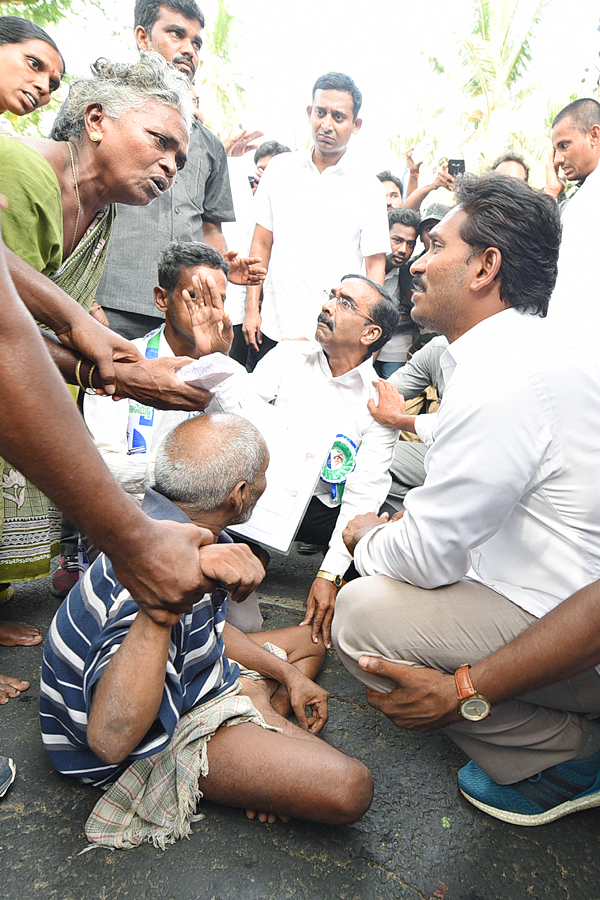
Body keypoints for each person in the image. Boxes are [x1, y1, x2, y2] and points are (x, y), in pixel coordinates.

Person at [332, 173, 600, 826]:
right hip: (554, 601)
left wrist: (367, 535)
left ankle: (565, 758)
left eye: (436, 245)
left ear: (486, 266)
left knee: (363, 613)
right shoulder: (519, 353)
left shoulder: (506, 374)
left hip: (578, 633)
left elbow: (426, 557)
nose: (418, 262)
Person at [40, 414, 373, 840]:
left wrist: (286, 677)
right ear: (240, 495)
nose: (267, 482)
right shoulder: (158, 572)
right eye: (263, 475)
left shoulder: (178, 531)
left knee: (311, 641)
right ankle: (253, 733)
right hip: (139, 739)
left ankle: (258, 714)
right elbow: (109, 740)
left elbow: (209, 631)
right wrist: (164, 605)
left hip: (193, 681)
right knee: (349, 788)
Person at [0, 52, 194, 623]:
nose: (170, 166)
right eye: (160, 141)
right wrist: (108, 372)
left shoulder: (101, 211)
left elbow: (59, 297)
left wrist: (105, 338)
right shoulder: (22, 171)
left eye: (180, 160)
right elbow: (10, 332)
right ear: (95, 121)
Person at [190, 273, 400, 648]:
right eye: (331, 294)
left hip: (322, 510)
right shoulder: (288, 356)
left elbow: (363, 494)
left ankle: (344, 587)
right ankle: (249, 553)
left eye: (345, 303)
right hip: (264, 496)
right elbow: (241, 423)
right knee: (219, 535)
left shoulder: (378, 402)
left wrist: (329, 574)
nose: (327, 305)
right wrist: (216, 360)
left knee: (372, 533)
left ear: (370, 335)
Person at [95, 0, 264, 342]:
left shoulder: (210, 146)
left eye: (197, 42)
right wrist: (81, 298)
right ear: (143, 38)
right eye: (176, 34)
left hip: (184, 311)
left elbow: (209, 226)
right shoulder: (101, 114)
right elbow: (70, 203)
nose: (189, 49)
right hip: (107, 306)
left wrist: (223, 264)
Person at [243, 72, 389, 367]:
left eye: (339, 116)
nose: (327, 124)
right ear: (310, 113)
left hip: (335, 338)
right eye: (320, 112)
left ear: (355, 125)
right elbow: (261, 243)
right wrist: (251, 309)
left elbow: (375, 266)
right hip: (275, 324)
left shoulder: (368, 187)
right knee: (263, 409)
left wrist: (366, 342)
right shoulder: (280, 170)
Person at [83, 241, 230, 503]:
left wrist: (217, 361)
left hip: (204, 522)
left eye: (219, 300)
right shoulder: (123, 364)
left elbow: (243, 455)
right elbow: (99, 467)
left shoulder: (230, 369)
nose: (210, 312)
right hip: (131, 518)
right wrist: (181, 474)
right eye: (195, 297)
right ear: (162, 298)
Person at [545, 98, 600, 340]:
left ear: (594, 135)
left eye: (564, 145)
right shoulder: (583, 197)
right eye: (555, 150)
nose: (557, 160)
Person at [376, 207, 420, 377]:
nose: (403, 249)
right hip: (362, 351)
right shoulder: (362, 266)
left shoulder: (408, 272)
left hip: (396, 354)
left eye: (410, 244)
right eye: (397, 240)